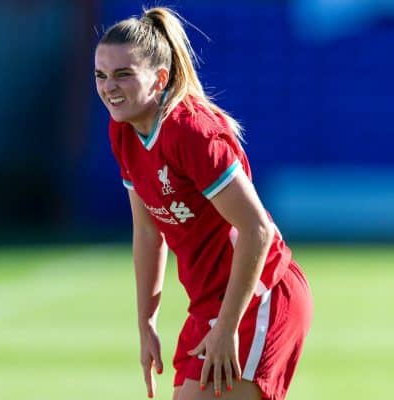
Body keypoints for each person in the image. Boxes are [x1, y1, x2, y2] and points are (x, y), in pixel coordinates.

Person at [94, 6, 313, 400]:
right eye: (101, 75)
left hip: (260, 294)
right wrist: (146, 324)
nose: (109, 86)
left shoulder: (190, 132)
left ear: (160, 78)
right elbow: (147, 232)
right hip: (212, 305)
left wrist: (227, 327)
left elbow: (257, 230)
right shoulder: (123, 131)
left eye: (123, 74)